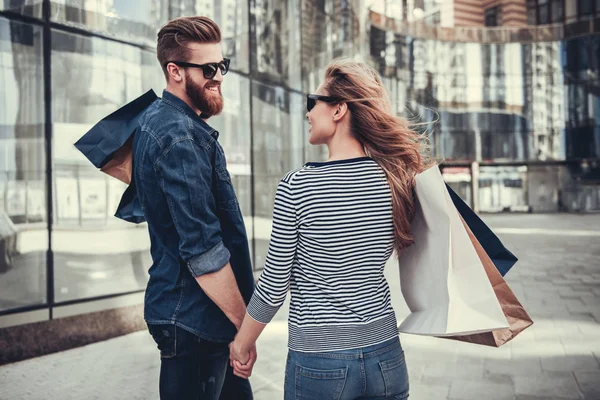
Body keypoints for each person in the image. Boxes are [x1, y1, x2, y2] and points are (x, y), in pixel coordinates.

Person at [229, 58, 431, 399]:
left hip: (321, 363)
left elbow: (275, 282)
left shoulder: (298, 187)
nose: (308, 113)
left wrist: (242, 343)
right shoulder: (394, 181)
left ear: (338, 110)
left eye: (313, 102)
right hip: (386, 355)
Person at [132, 16, 255, 400]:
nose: (218, 75)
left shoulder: (160, 122)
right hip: (195, 322)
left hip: (201, 319)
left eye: (222, 65)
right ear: (175, 71)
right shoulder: (179, 136)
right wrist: (245, 328)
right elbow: (204, 251)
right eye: (208, 68)